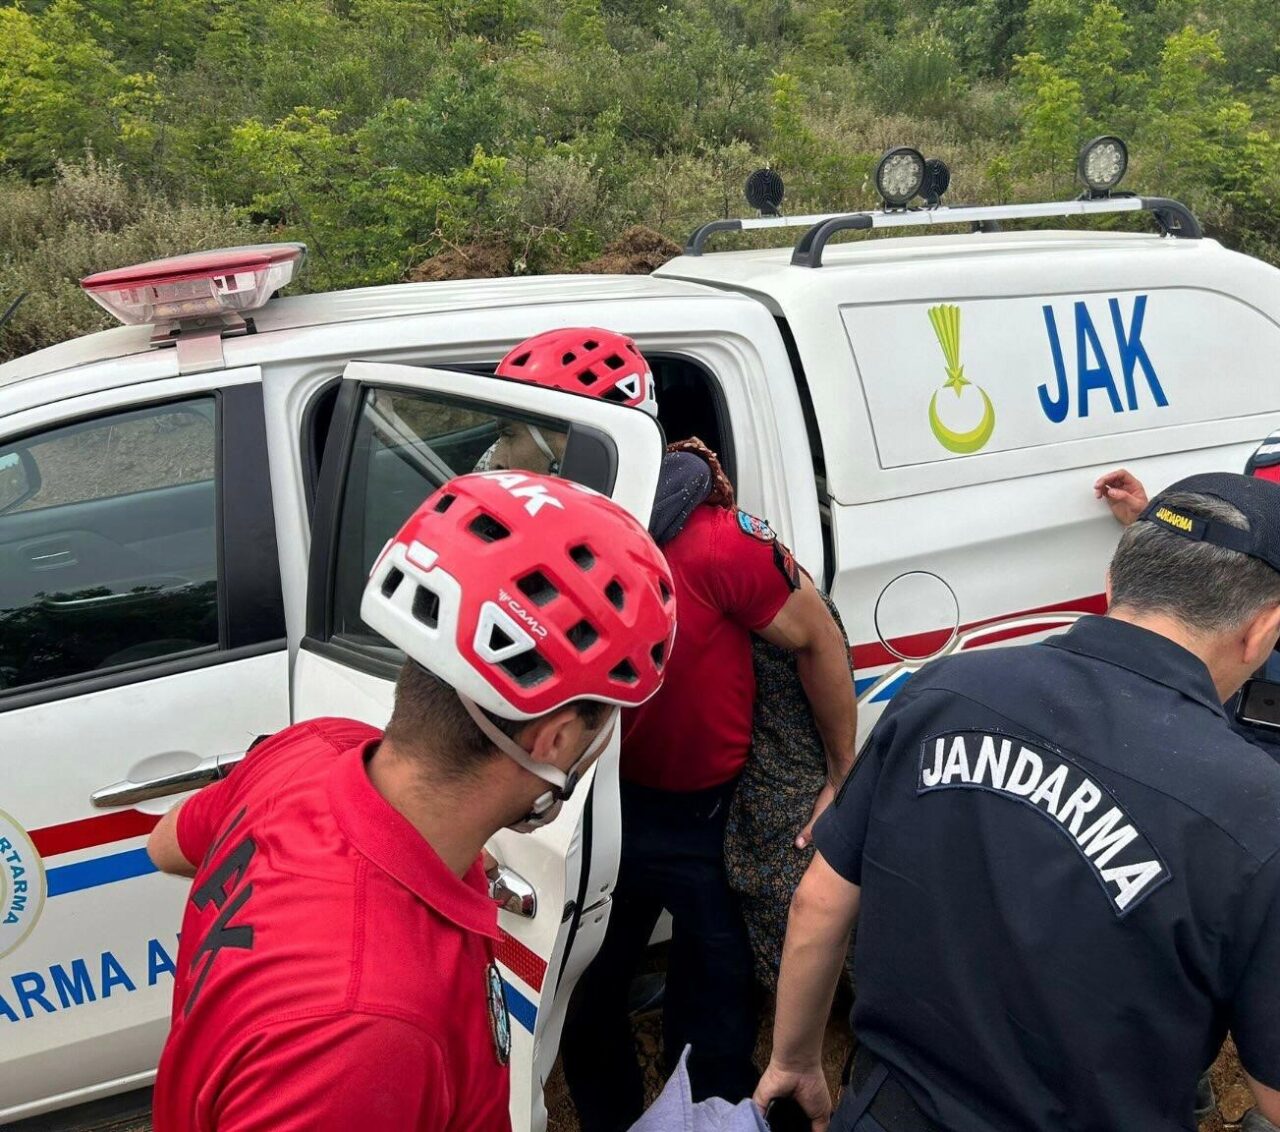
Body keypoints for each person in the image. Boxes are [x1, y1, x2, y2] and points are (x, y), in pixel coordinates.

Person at [146, 470, 677, 1131]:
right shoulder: (365, 1036)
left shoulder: (312, 749)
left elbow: (167, 843)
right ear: (556, 737)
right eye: (605, 725)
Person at [756, 471, 1280, 1131]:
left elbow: (820, 902)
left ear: (1115, 584)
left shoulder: (943, 691)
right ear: (1264, 631)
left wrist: (796, 1060)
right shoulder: (1255, 811)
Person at [485, 327, 858, 1132]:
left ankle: (709, 1113)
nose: (498, 451)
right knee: (585, 993)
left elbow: (820, 637)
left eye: (516, 431)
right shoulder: (532, 543)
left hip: (705, 817)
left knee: (716, 998)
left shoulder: (718, 540)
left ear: (575, 443)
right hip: (599, 813)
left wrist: (841, 775)